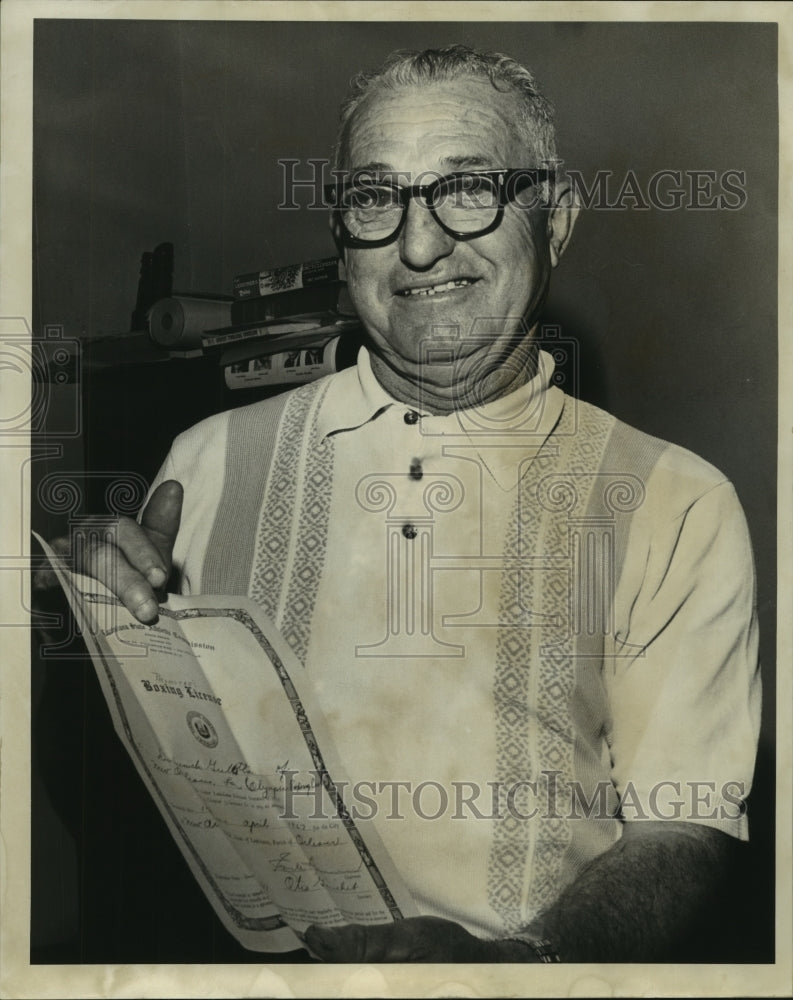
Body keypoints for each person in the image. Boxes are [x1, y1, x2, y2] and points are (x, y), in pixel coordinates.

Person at [65, 45, 760, 962]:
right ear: (339, 233)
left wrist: (516, 967)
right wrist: (88, 617)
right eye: (374, 198)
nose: (420, 245)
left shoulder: (676, 504)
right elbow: (148, 783)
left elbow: (685, 830)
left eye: (469, 187)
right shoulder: (205, 461)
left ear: (554, 221)